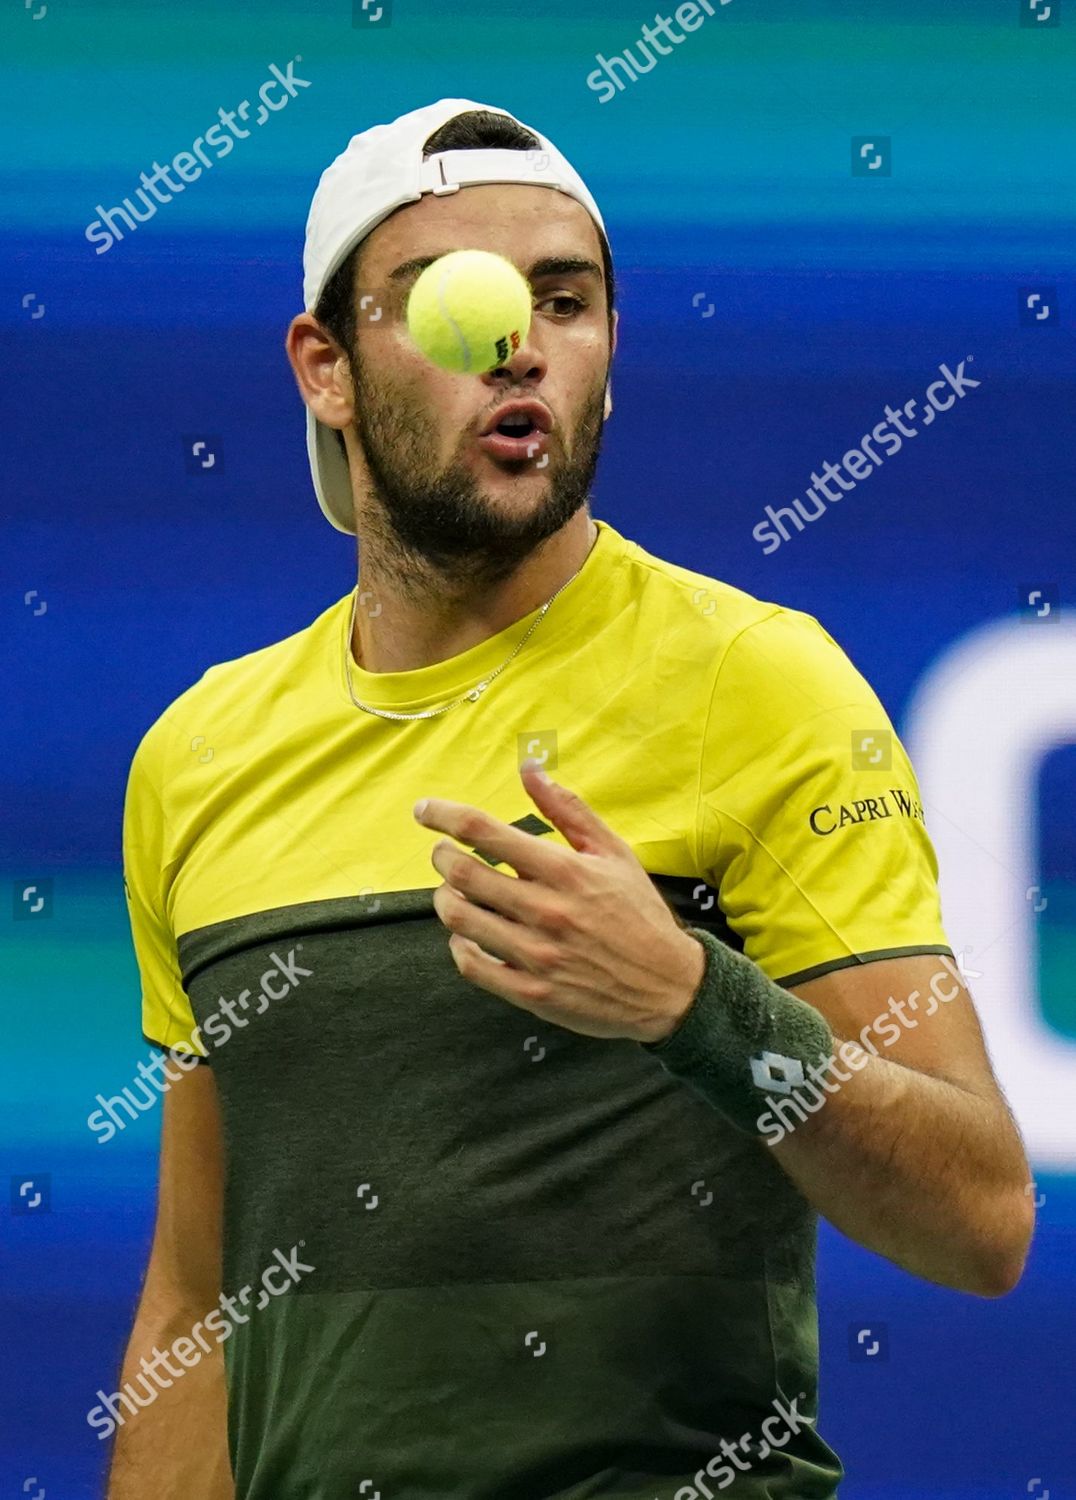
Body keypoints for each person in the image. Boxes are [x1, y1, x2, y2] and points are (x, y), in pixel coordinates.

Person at [107, 99, 1033, 1500]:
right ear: (327, 368)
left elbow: (981, 1217)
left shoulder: (754, 682)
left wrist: (689, 1003)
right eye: (451, 299)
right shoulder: (198, 756)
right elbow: (194, 1307)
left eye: (567, 298)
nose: (520, 340)